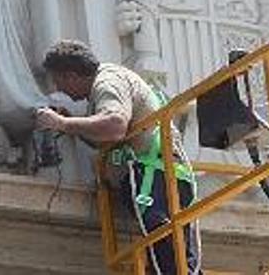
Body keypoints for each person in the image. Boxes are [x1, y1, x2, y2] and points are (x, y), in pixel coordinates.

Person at [35, 40, 200, 274]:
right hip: (161, 177)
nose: (58, 90)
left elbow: (114, 126)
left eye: (58, 81)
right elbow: (108, 137)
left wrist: (63, 123)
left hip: (155, 177)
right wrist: (72, 122)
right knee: (173, 257)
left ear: (71, 75)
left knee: (167, 255)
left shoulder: (107, 82)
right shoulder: (106, 84)